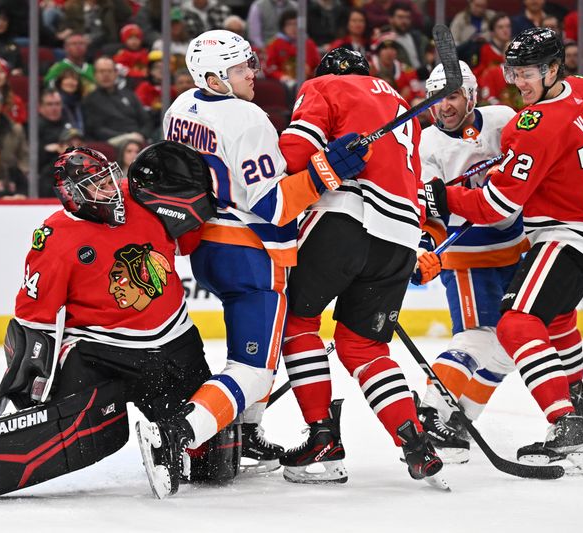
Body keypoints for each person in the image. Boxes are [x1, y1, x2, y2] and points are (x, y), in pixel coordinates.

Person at [135, 30, 370, 499]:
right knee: (253, 369)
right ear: (214, 76)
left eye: (250, 64)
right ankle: (179, 433)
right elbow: (274, 205)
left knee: (258, 348)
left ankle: (245, 438)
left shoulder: (179, 107)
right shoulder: (249, 119)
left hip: (205, 246)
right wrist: (330, 172)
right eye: (242, 68)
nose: (253, 74)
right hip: (249, 255)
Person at [0, 146, 214, 504]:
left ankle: (182, 442)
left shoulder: (144, 198)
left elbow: (190, 235)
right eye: (97, 185)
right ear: (73, 195)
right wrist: (25, 389)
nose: (112, 188)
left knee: (215, 464)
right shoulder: (56, 238)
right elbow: (32, 318)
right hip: (99, 353)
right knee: (63, 430)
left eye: (110, 177)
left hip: (172, 345)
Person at [423, 27, 583, 472]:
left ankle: (566, 424)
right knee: (557, 320)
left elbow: (495, 204)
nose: (518, 82)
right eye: (513, 72)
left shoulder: (531, 124)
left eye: (526, 73)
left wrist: (443, 198)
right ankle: (581, 414)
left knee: (516, 325)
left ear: (553, 68)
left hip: (567, 232)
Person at [275, 48, 445, 488]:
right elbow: (415, 189)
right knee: (364, 347)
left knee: (297, 323)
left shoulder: (323, 87)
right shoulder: (403, 108)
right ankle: (414, 440)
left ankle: (321, 436)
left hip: (346, 218)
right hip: (402, 237)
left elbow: (294, 155)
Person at [413, 60, 521, 463]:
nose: (444, 106)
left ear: (472, 95)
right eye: (437, 98)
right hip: (468, 256)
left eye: (453, 95)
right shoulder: (425, 144)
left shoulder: (503, 119)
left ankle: (461, 418)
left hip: (516, 245)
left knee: (513, 343)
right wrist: (427, 246)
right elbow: (430, 211)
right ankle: (430, 411)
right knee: (477, 337)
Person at [82, 56, 153, 147]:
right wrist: (127, 137)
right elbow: (96, 130)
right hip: (113, 143)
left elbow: (146, 120)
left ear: (116, 73)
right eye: (102, 71)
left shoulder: (129, 94)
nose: (106, 75)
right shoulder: (90, 100)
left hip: (138, 139)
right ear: (95, 75)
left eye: (109, 71)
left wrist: (142, 135)